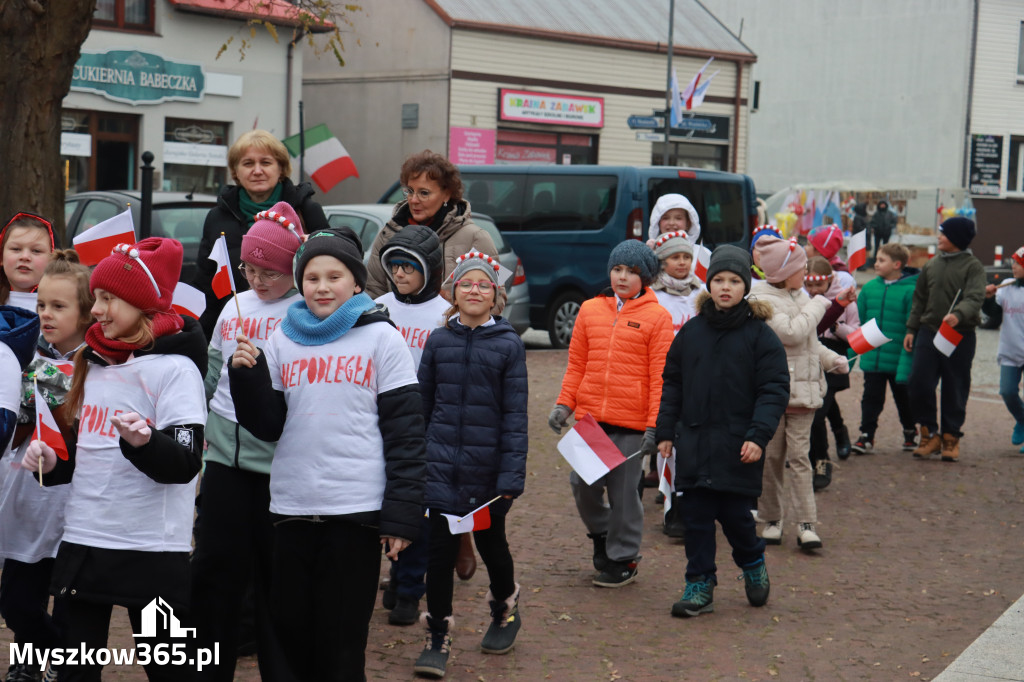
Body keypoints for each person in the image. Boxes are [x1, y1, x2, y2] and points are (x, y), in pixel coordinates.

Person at [227, 227, 426, 681]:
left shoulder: (382, 339)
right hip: (291, 507)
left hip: (354, 512)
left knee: (340, 641)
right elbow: (267, 426)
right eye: (311, 276)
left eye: (334, 276)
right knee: (290, 635)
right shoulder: (282, 339)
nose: (321, 286)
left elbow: (407, 434)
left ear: (356, 283)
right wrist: (247, 378)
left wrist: (401, 517)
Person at [22, 238, 208, 681]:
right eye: (98, 298)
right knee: (73, 668)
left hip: (151, 545)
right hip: (86, 538)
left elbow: (184, 464)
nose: (97, 310)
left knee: (171, 669)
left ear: (142, 303)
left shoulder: (176, 369)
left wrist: (144, 444)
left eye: (108, 299)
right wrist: (48, 461)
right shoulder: (91, 360)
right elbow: (77, 459)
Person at [189, 202, 305, 680]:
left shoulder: (302, 314)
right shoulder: (233, 307)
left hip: (277, 469)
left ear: (294, 270)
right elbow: (212, 377)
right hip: (223, 463)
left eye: (271, 273)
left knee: (275, 581)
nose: (258, 281)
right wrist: (202, 440)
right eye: (250, 269)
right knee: (215, 573)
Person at [656, 245, 789, 617]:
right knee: (695, 517)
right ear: (709, 284)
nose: (725, 287)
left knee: (735, 519)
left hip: (738, 445)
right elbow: (673, 383)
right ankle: (699, 582)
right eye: (718, 280)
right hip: (695, 442)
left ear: (745, 286)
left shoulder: (760, 336)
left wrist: (757, 435)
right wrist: (666, 430)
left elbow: (774, 389)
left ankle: (752, 562)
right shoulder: (691, 332)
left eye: (734, 280)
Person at [413, 251, 528, 678]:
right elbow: (423, 405)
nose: (474, 290)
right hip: (440, 468)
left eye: (483, 284)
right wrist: (416, 462)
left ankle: (504, 608)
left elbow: (515, 417)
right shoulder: (438, 341)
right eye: (466, 284)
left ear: (496, 295)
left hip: (487, 475)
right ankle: (438, 633)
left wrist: (510, 478)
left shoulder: (508, 345)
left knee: (492, 546)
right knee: (438, 555)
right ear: (453, 292)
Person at [548, 240, 673, 587]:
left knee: (624, 497)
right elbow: (576, 365)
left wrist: (655, 426)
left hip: (632, 425)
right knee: (581, 485)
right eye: (617, 269)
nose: (622, 277)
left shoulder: (657, 317)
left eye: (632, 272)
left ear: (645, 278)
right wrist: (564, 405)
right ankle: (603, 535)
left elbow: (660, 377)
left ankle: (623, 559)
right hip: (592, 421)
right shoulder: (589, 310)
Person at [0, 251, 88, 682]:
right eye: (41, 305)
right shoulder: (25, 358)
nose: (46, 315)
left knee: (72, 603)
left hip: (76, 510)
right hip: (29, 503)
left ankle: (40, 666)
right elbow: (11, 431)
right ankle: (50, 654)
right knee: (17, 602)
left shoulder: (102, 366)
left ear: (86, 312)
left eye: (58, 306)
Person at [748, 237, 848, 551]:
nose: (806, 270)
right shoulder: (760, 300)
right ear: (784, 270)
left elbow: (808, 343)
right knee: (771, 459)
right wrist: (821, 303)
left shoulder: (800, 294)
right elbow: (791, 334)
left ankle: (806, 523)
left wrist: (831, 359)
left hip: (803, 393)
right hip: (773, 393)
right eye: (801, 266)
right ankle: (772, 519)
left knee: (800, 459)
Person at [373, 224, 448, 627]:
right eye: (394, 266)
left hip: (425, 423)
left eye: (409, 266)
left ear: (430, 270)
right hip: (378, 419)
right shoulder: (378, 307)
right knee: (380, 500)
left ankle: (408, 587)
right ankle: (389, 574)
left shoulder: (443, 315)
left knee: (417, 508)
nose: (400, 274)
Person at [193, 130, 327, 339]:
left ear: (281, 168)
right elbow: (205, 279)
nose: (257, 171)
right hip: (236, 325)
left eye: (265, 163)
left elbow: (329, 265)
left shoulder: (307, 210)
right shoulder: (217, 217)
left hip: (295, 324)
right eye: (248, 164)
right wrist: (202, 335)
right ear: (235, 171)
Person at [365, 150, 503, 315]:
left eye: (424, 193)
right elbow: (372, 293)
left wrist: (453, 311)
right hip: (399, 335)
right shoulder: (388, 234)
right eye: (409, 191)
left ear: (446, 194)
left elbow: (498, 298)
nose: (413, 200)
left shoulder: (475, 238)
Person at [903, 217, 986, 462]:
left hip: (959, 334)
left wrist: (959, 315)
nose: (939, 237)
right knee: (918, 382)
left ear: (957, 238)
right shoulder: (931, 265)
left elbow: (975, 296)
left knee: (955, 385)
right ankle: (930, 433)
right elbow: (919, 299)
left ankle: (951, 438)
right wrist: (911, 328)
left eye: (944, 234)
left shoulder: (973, 267)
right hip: (929, 331)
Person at [648, 230, 702, 529]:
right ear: (662, 261)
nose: (682, 263)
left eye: (686, 257)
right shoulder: (653, 297)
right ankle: (671, 505)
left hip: (698, 379)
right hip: (665, 378)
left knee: (692, 442)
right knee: (667, 443)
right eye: (674, 257)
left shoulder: (700, 294)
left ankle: (690, 499)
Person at [851, 243, 919, 455]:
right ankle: (866, 435)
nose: (876, 263)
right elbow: (859, 321)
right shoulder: (870, 288)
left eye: (881, 260)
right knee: (871, 398)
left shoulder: (911, 290)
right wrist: (852, 354)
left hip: (899, 356)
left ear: (897, 264)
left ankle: (910, 431)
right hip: (873, 357)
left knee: (903, 398)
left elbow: (912, 324)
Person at [803, 257, 859, 490]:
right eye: (809, 285)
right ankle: (840, 430)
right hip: (809, 355)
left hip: (834, 357)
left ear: (829, 281)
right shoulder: (802, 299)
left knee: (818, 413)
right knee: (823, 403)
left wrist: (838, 328)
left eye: (819, 285)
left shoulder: (847, 301)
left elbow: (856, 336)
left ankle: (821, 460)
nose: (814, 290)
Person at [985, 246, 1024, 453]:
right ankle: (1022, 419)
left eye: (1018, 263)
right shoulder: (1006, 289)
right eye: (1014, 263)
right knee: (1007, 392)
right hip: (1011, 350)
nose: (1014, 267)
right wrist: (988, 298)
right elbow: (994, 315)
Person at [1, 212, 56, 312]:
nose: (25, 257)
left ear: (52, 259)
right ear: (1, 257)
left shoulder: (67, 305)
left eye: (36, 251)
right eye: (16, 249)